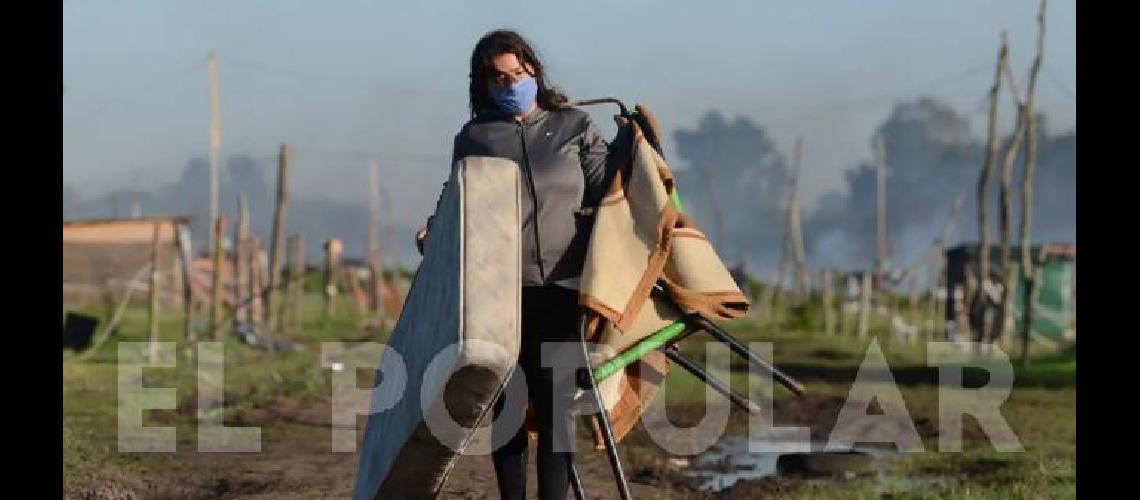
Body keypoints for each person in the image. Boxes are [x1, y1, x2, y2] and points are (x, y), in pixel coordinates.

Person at [414, 29, 615, 500]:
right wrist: (433, 230)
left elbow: (611, 190)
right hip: (501, 291)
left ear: (534, 72)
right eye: (499, 77)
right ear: (483, 84)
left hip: (565, 286)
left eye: (518, 74)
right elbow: (455, 197)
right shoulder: (476, 138)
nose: (510, 84)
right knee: (508, 406)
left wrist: (640, 157)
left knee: (556, 408)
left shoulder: (574, 127)